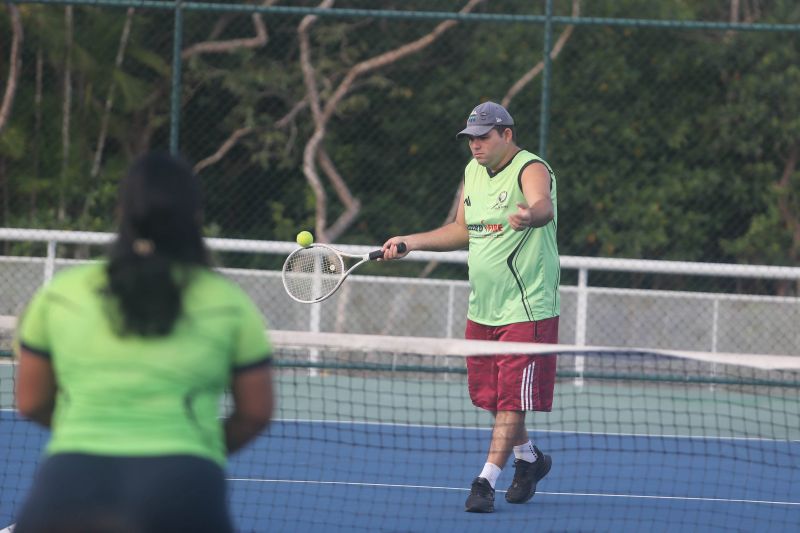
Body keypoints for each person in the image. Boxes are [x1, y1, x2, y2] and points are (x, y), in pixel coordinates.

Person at [13, 152, 274, 533]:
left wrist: (84, 430)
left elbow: (31, 401)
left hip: (70, 482)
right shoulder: (230, 303)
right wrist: (199, 446)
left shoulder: (60, 296)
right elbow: (255, 413)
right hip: (185, 484)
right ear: (195, 215)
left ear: (122, 211)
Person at [382, 101, 559, 513]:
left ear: (506, 135)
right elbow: (462, 229)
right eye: (471, 139)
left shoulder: (531, 167)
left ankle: (485, 480)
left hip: (528, 306)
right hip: (483, 308)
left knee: (512, 399)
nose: (475, 146)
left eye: (483, 137)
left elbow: (543, 206)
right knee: (495, 398)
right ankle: (529, 459)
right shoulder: (472, 173)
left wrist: (529, 215)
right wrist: (410, 241)